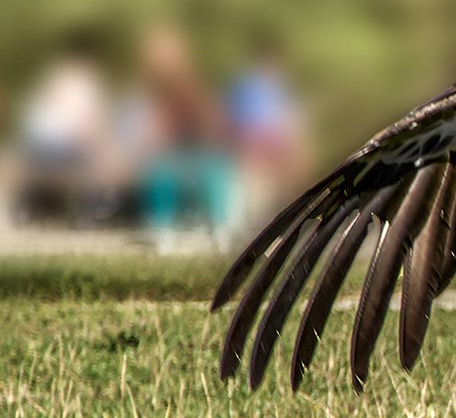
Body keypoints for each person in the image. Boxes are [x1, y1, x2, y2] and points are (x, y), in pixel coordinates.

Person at [133, 26, 238, 250]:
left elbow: (211, 125)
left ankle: (220, 227)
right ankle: (163, 230)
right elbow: (152, 133)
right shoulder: (150, 93)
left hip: (200, 152)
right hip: (172, 155)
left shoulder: (191, 87)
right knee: (161, 172)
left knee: (213, 172)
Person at [10, 31, 117, 225]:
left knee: (96, 156)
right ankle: (94, 209)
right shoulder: (83, 82)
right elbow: (87, 127)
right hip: (58, 146)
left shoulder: (57, 77)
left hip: (40, 144)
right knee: (98, 160)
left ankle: (90, 207)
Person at [224, 34, 309, 223]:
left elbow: (293, 130)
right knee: (259, 189)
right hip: (253, 155)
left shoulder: (282, 92)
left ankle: (285, 219)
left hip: (277, 156)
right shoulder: (246, 88)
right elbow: (238, 128)